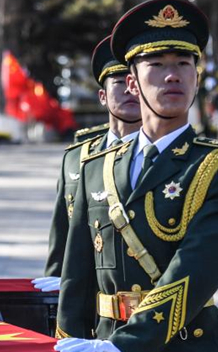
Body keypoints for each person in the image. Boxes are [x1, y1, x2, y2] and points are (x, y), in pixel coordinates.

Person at [55, 0, 218, 352]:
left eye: (184, 63)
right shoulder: (96, 166)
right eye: (156, 65)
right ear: (132, 80)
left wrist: (126, 348)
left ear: (198, 76)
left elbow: (197, 268)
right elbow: (76, 276)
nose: (172, 76)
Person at [34, 35, 141, 294]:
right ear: (102, 96)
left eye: (136, 83)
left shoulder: (160, 153)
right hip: (87, 299)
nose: (129, 90)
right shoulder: (77, 157)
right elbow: (63, 237)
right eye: (119, 82)